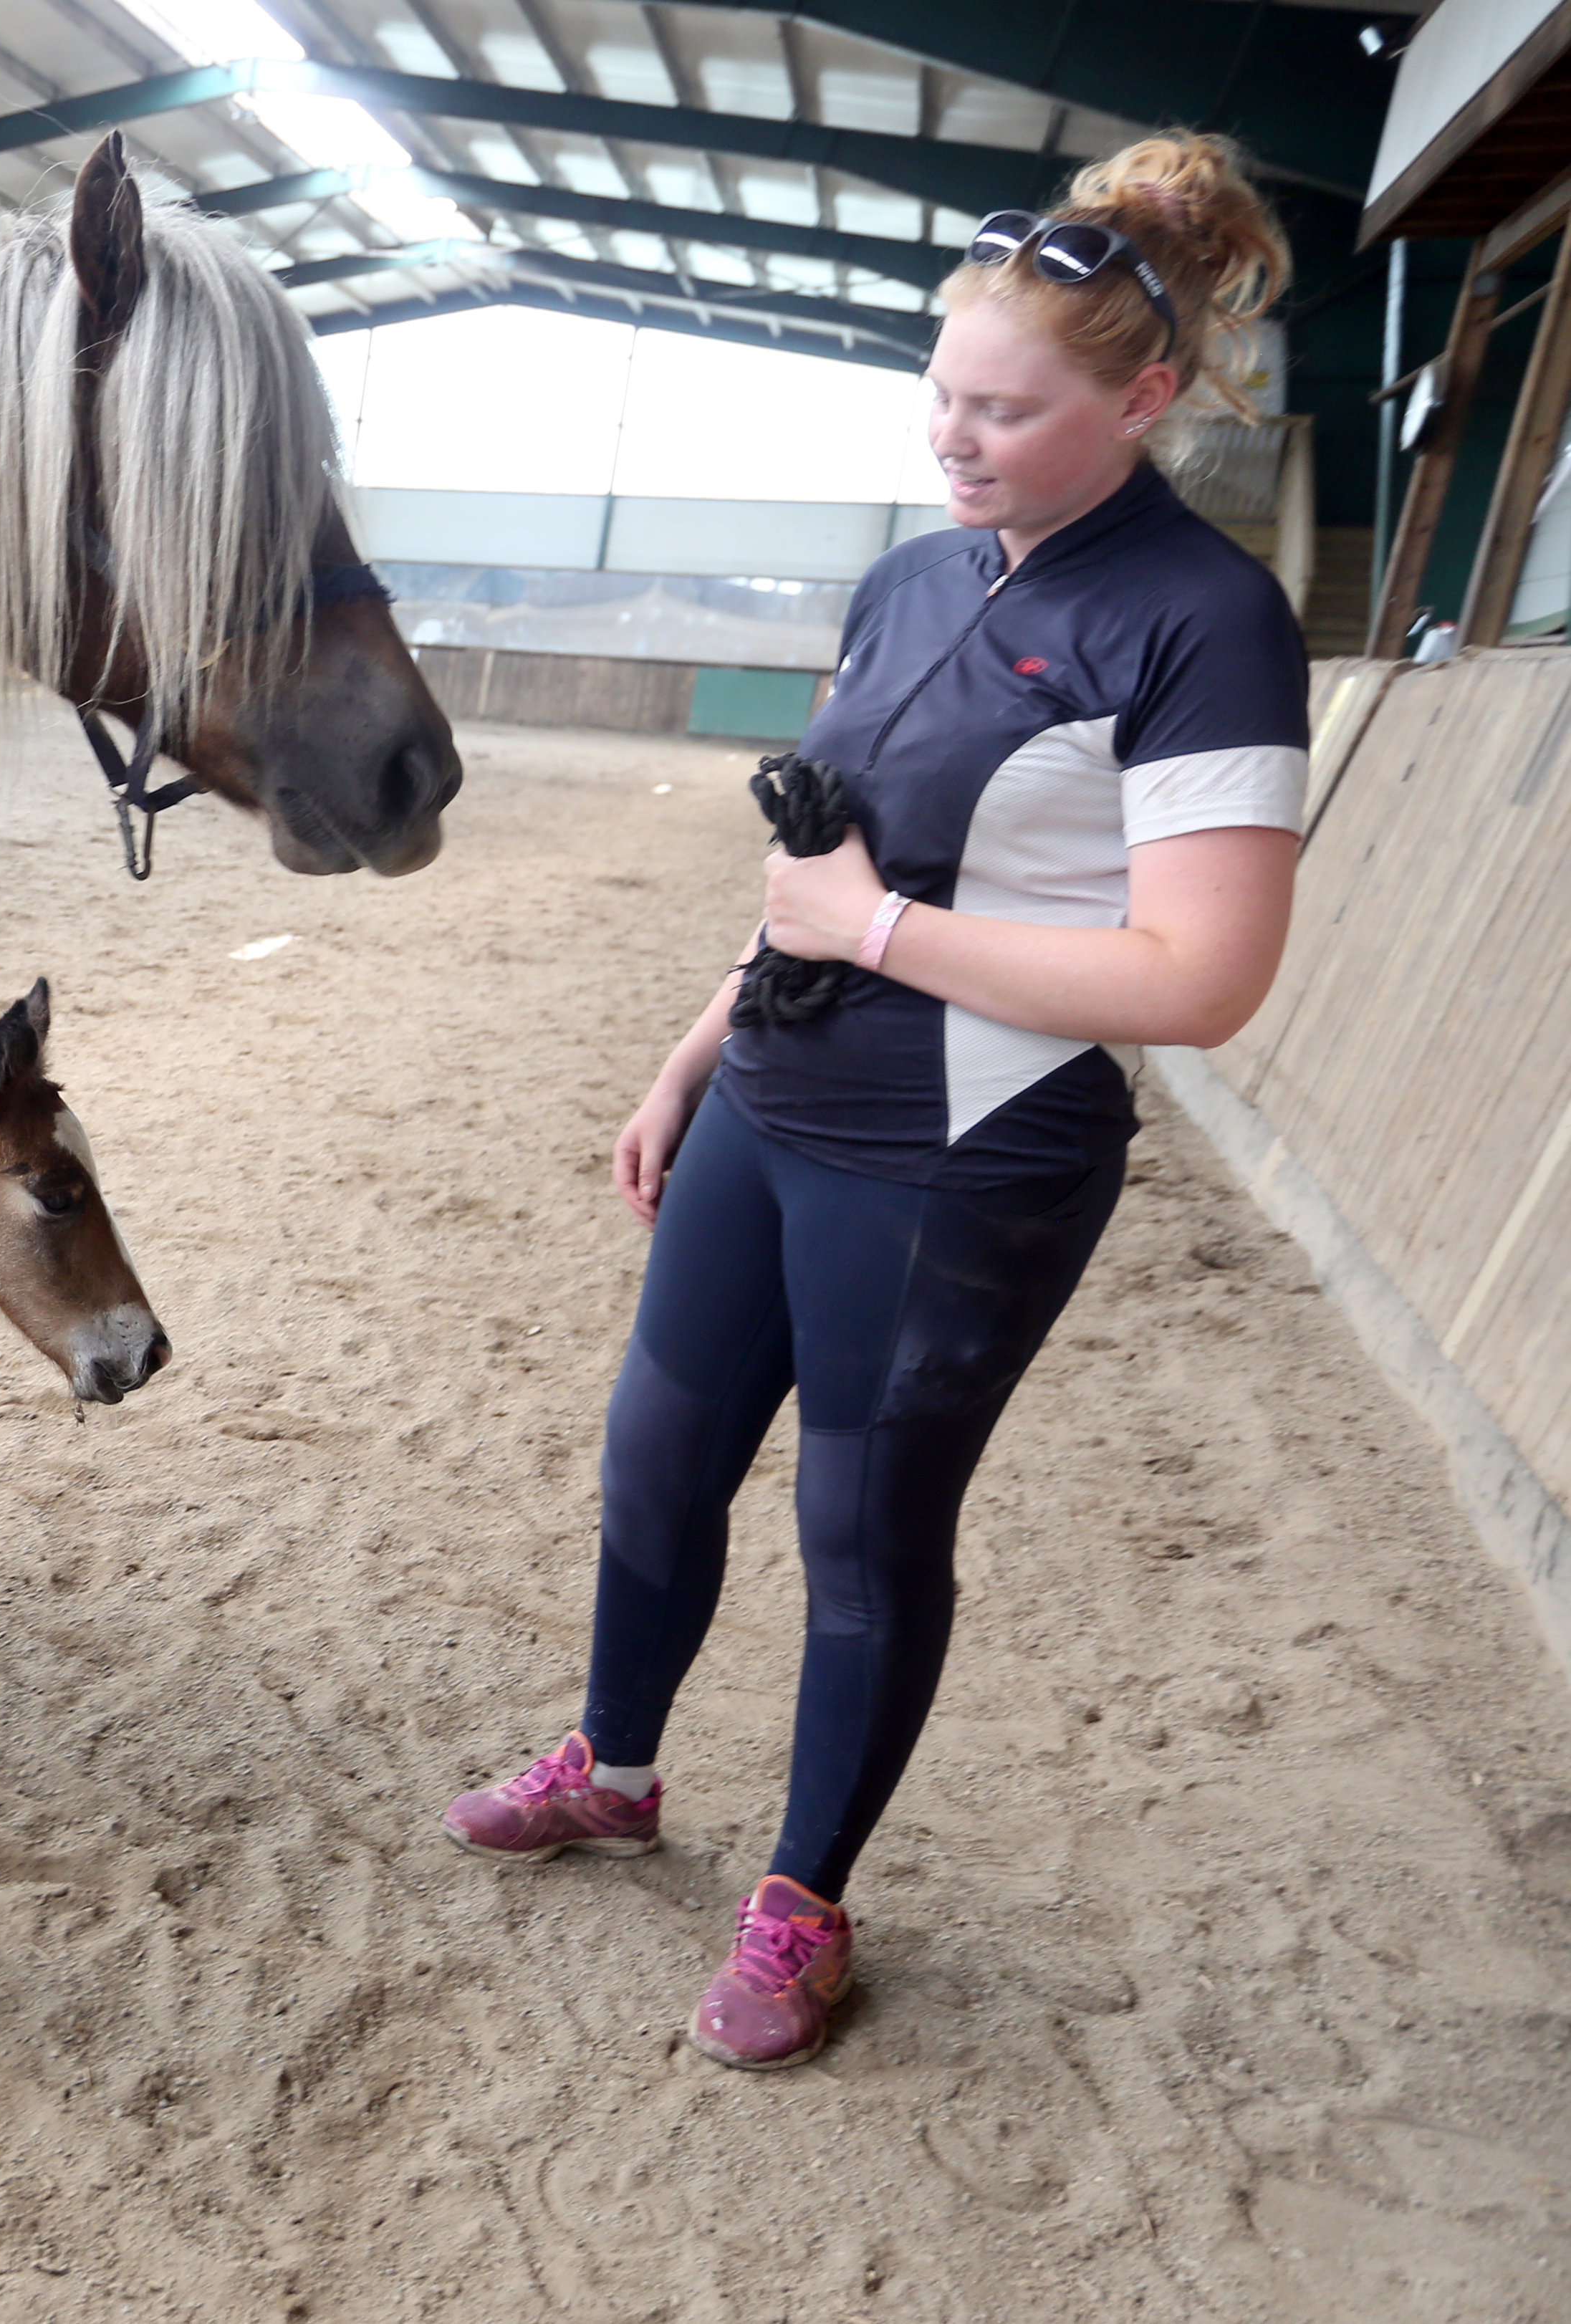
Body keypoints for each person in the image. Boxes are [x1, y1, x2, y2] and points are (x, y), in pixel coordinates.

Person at [440, 133, 1309, 2071]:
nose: (959, 440)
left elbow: (1205, 975)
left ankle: (806, 1900)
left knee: (863, 1527)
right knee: (655, 1457)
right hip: (773, 1094)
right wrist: (696, 1047)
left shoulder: (1202, 617)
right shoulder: (912, 575)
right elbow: (818, 860)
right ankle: (618, 1758)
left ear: (1145, 400)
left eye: (1010, 411)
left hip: (966, 1153)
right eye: (943, 398)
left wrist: (881, 929)